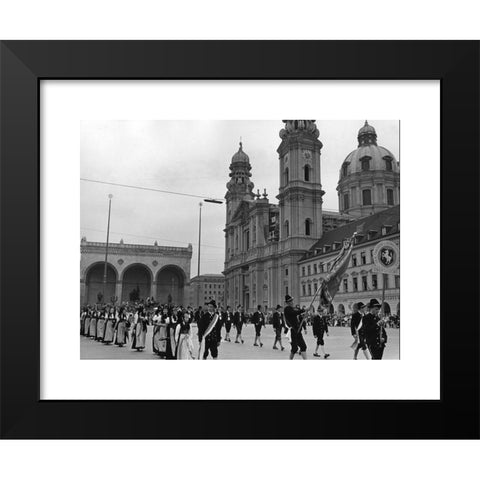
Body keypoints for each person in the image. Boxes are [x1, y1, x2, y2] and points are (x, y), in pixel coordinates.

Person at [284, 295, 307, 360]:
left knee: (303, 346)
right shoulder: (287, 309)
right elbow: (294, 313)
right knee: (295, 348)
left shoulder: (292, 308)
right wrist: (303, 310)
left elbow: (298, 316)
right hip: (293, 331)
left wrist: (303, 314)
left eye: (292, 300)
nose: (292, 302)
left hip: (297, 330)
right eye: (290, 301)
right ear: (287, 303)